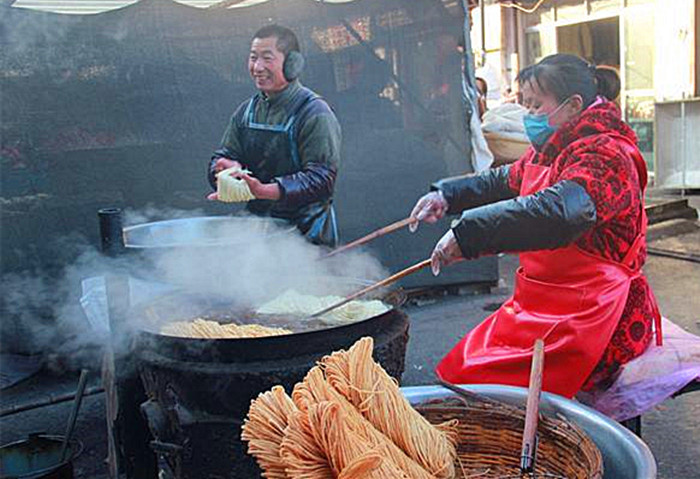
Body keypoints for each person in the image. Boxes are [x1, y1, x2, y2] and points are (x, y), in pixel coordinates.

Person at [409, 53, 662, 398]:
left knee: (495, 388)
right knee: (468, 370)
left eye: (535, 105)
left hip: (595, 311)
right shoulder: (554, 146)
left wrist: (468, 235)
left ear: (573, 106)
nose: (528, 115)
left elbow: (558, 213)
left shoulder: (605, 154)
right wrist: (447, 196)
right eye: (524, 104)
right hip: (545, 301)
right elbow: (504, 180)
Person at [208, 25, 341, 247]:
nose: (257, 67)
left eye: (267, 58)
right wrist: (222, 171)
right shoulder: (246, 112)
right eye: (253, 58)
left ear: (292, 63)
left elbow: (321, 179)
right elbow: (223, 155)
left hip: (308, 235)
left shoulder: (314, 112)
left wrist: (264, 190)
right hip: (258, 234)